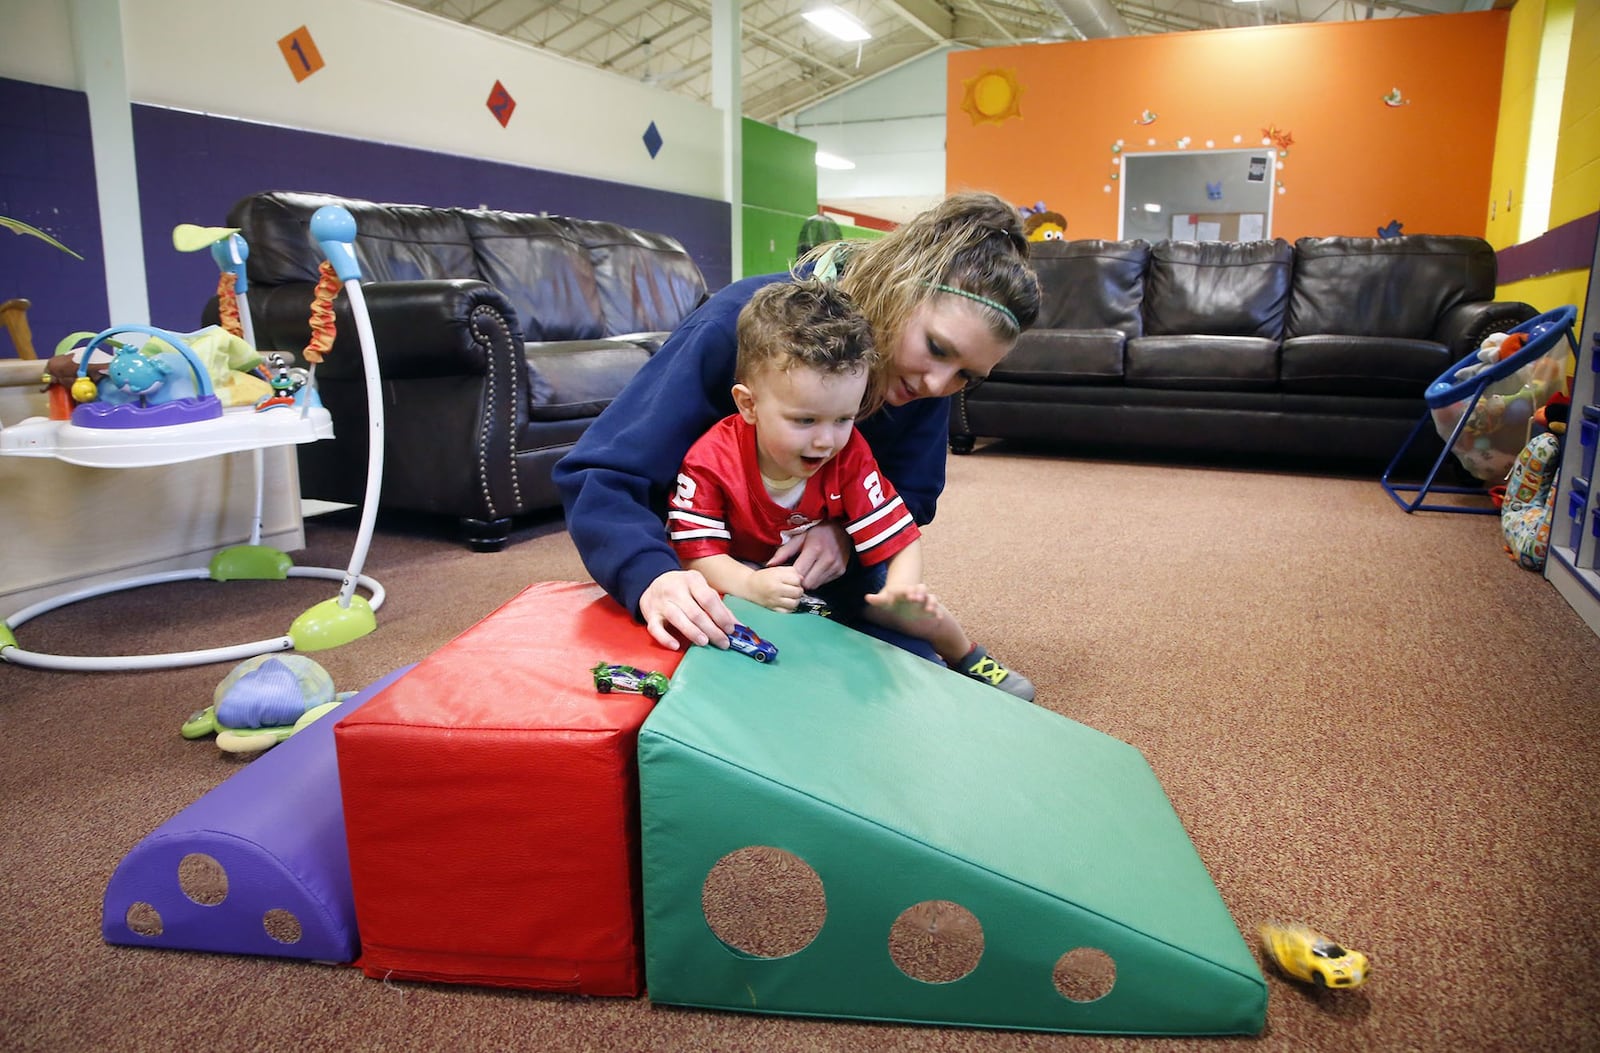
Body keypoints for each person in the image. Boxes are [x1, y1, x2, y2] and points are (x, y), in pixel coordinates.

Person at [553, 190, 1040, 685]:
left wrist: (843, 536)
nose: (938, 386)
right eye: (936, 348)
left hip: (814, 578)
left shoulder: (925, 380)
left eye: (967, 377)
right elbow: (601, 472)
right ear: (902, 286)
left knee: (907, 681)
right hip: (710, 566)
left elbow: (912, 492)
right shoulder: (741, 326)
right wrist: (651, 577)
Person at [668, 279, 1034, 699]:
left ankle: (966, 654)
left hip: (838, 576)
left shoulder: (848, 453)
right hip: (750, 569)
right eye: (805, 421)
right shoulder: (710, 459)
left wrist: (902, 587)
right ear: (749, 405)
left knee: (915, 609)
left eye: (843, 419)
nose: (826, 441)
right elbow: (699, 554)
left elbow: (899, 536)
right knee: (719, 611)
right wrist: (750, 586)